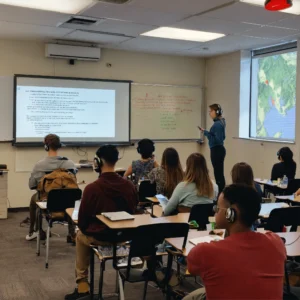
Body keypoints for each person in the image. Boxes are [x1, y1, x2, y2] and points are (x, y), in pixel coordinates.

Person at [184, 184, 286, 300]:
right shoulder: (276, 243)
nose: (215, 212)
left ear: (231, 213)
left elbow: (191, 269)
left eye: (217, 208)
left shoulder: (205, 251)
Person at [65, 145, 138, 300]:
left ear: (97, 162)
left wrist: (88, 227)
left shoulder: (92, 188)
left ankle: (82, 285)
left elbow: (83, 222)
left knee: (80, 235)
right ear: (116, 160)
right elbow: (134, 210)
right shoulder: (130, 186)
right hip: (124, 236)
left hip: (101, 237)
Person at [26, 134, 76, 241]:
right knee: (70, 198)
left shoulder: (39, 165)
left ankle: (36, 231)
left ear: (46, 146)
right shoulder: (70, 164)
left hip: (46, 200)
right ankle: (72, 233)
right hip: (67, 201)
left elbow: (32, 185)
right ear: (59, 145)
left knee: (33, 200)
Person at [199, 104, 226, 194]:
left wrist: (208, 134)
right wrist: (206, 132)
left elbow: (217, 139)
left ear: (216, 112)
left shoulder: (217, 125)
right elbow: (220, 137)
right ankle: (221, 193)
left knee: (218, 175)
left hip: (216, 150)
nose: (210, 113)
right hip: (218, 150)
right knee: (219, 173)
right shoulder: (220, 122)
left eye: (211, 111)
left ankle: (220, 194)